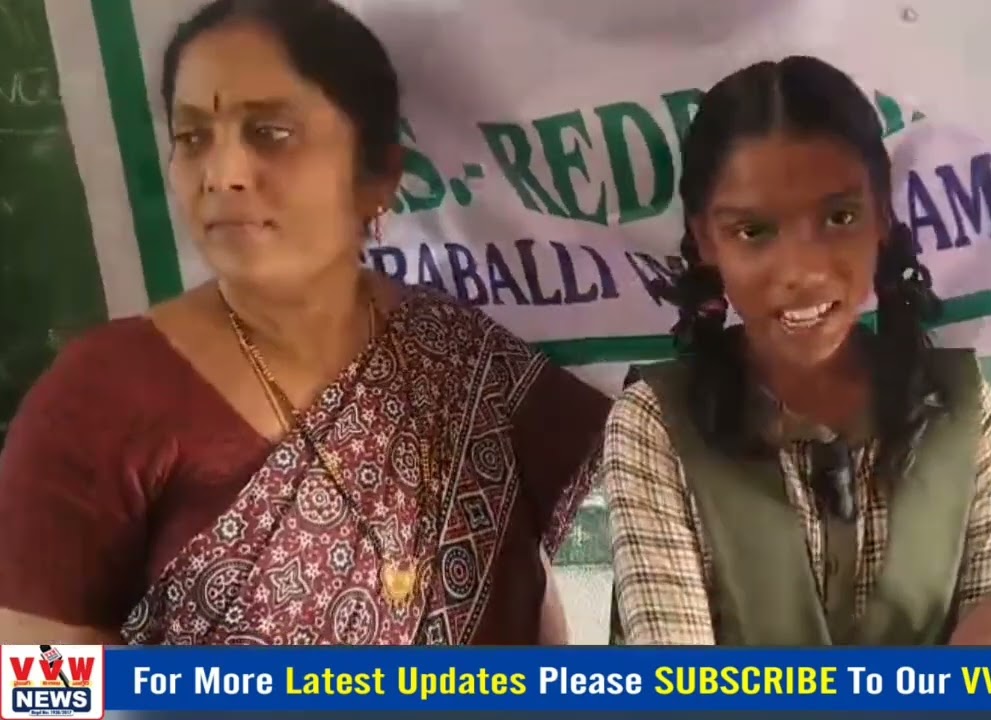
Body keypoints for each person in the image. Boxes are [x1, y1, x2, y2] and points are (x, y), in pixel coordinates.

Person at [0, 0, 606, 645]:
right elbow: (34, 681)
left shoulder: (467, 366)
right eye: (193, 138)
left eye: (270, 133)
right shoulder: (101, 393)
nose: (222, 174)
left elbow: (533, 599)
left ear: (379, 178)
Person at [603, 56, 991, 646]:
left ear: (882, 216)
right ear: (705, 238)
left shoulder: (962, 409)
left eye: (840, 217)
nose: (802, 272)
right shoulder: (654, 427)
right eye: (753, 232)